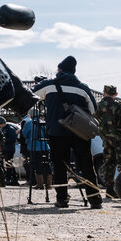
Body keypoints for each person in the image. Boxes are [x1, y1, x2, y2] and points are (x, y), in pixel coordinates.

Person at [33, 55, 101, 209]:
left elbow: (31, 95)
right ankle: (95, 199)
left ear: (59, 69)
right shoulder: (82, 87)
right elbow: (93, 109)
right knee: (86, 165)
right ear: (74, 71)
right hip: (79, 131)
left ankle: (62, 199)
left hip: (56, 131)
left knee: (59, 166)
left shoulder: (49, 85)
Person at [97, 84, 121, 197]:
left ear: (104, 92)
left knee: (109, 163)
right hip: (120, 138)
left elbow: (94, 117)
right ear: (116, 94)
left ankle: (109, 190)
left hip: (106, 139)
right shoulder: (117, 105)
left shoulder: (98, 105)